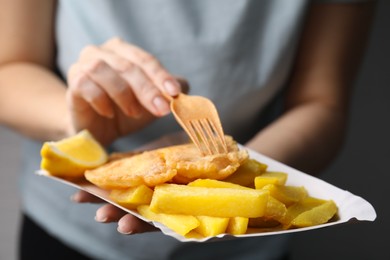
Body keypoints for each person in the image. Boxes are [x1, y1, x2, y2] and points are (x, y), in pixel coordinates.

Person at [0, 0, 375, 259]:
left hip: (248, 245)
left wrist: (243, 177)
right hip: (68, 233)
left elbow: (322, 101)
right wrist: (76, 122)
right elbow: (9, 67)